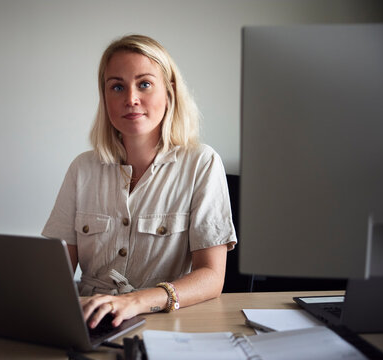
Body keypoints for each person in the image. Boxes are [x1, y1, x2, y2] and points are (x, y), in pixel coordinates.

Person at [42, 34, 237, 330]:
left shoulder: (202, 163)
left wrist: (136, 301)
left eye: (144, 84)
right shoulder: (82, 168)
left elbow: (212, 276)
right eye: (117, 87)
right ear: (105, 96)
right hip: (90, 322)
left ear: (169, 91)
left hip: (164, 323)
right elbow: (55, 274)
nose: (130, 98)